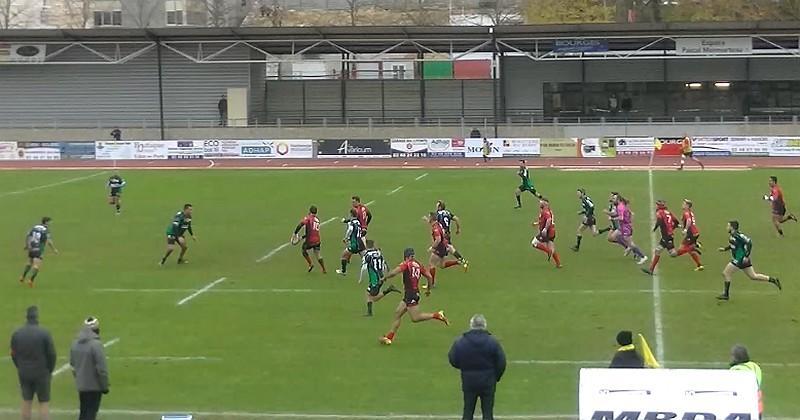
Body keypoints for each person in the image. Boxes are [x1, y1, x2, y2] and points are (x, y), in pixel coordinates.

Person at [379, 248, 449, 345]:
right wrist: (428, 289)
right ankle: (389, 338)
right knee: (398, 313)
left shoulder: (406, 264)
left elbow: (394, 272)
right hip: (411, 293)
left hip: (411, 294)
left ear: (405, 256)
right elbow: (429, 276)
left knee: (415, 318)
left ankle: (437, 315)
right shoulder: (418, 264)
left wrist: (384, 277)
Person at [448, 314, 506, 420]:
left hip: (469, 381)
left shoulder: (461, 342)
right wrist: (495, 377)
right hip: (488, 381)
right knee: (488, 412)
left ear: (471, 325)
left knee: (468, 411)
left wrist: (464, 368)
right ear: (484, 325)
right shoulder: (493, 342)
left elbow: (452, 359)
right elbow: (501, 362)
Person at [10, 306, 56, 420]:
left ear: (26, 317)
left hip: (24, 372)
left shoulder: (17, 333)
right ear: (37, 317)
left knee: (26, 400)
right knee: (43, 402)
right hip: (41, 372)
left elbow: (13, 354)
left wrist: (19, 366)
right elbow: (52, 354)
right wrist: (49, 370)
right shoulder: (44, 333)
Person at [717, 220, 781, 301]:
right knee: (753, 276)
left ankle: (726, 295)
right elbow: (734, 245)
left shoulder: (737, 235)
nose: (726, 228)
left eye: (728, 226)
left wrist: (746, 256)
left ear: (732, 227)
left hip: (740, 259)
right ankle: (773, 280)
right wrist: (725, 249)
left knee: (726, 273)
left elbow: (749, 242)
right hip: (742, 259)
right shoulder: (733, 235)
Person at [70, 317, 109, 420]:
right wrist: (104, 386)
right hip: (94, 386)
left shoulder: (75, 344)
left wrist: (79, 379)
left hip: (82, 385)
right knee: (91, 413)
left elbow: (73, 365)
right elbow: (101, 369)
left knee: (83, 412)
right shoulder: (96, 345)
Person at [426, 212, 467, 288]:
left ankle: (432, 284)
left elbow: (438, 239)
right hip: (444, 247)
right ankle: (457, 262)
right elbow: (443, 232)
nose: (428, 218)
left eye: (429, 217)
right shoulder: (438, 224)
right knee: (442, 265)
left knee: (432, 264)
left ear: (432, 219)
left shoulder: (435, 228)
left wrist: (432, 247)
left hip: (439, 248)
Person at [642, 200, 680, 276]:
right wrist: (672, 227)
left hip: (666, 236)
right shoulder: (669, 212)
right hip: (667, 235)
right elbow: (676, 221)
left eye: (657, 205)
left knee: (673, 254)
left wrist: (655, 228)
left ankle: (689, 248)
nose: (656, 206)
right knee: (658, 251)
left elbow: (659, 220)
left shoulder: (660, 212)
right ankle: (651, 270)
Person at [363, 239, 400, 316]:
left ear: (366, 246)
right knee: (369, 294)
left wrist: (361, 276)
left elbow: (365, 265)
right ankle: (369, 312)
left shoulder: (367, 255)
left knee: (373, 297)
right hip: (381, 276)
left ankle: (389, 289)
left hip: (375, 278)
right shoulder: (378, 253)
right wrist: (388, 271)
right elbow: (384, 262)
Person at [20, 217, 59, 288]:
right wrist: (54, 249)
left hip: (31, 247)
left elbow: (28, 235)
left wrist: (27, 245)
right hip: (39, 249)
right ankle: (31, 280)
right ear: (46, 222)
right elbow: (49, 241)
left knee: (29, 262)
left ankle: (23, 276)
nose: (51, 223)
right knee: (36, 266)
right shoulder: (46, 230)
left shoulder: (35, 227)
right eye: (50, 222)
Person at [729, 345, 764, 419]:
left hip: (743, 407)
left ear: (736, 357)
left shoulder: (735, 370)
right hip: (758, 405)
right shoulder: (755, 366)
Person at [293, 205, 326, 273]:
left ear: (310, 211)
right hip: (317, 240)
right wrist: (302, 237)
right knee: (318, 254)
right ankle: (324, 269)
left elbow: (301, 224)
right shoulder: (317, 220)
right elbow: (312, 231)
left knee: (303, 250)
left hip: (310, 241)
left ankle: (310, 264)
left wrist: (295, 233)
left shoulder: (308, 218)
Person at [616, 196, 648, 265]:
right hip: (626, 226)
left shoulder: (620, 207)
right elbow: (631, 213)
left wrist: (613, 218)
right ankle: (629, 247)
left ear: (618, 200)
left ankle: (643, 256)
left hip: (625, 227)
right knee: (618, 236)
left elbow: (621, 218)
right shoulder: (624, 206)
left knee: (630, 243)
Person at [531, 198, 562, 268]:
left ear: (545, 203)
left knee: (534, 243)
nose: (540, 204)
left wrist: (545, 229)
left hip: (547, 232)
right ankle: (558, 263)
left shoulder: (545, 211)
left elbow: (549, 220)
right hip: (552, 232)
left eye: (541, 203)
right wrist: (537, 223)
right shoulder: (548, 210)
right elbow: (544, 220)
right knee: (551, 247)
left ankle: (548, 251)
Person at [675, 199, 704, 270]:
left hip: (691, 234)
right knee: (691, 252)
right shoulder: (690, 212)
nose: (682, 205)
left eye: (684, 204)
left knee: (680, 251)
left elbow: (689, 221)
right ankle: (699, 265)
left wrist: (685, 230)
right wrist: (680, 226)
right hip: (695, 233)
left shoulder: (686, 213)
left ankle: (694, 246)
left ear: (687, 206)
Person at [336, 208, 364, 276]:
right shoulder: (358, 222)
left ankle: (343, 271)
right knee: (364, 258)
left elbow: (350, 230)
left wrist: (346, 238)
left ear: (351, 214)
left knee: (343, 256)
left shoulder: (351, 223)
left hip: (354, 243)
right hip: (360, 242)